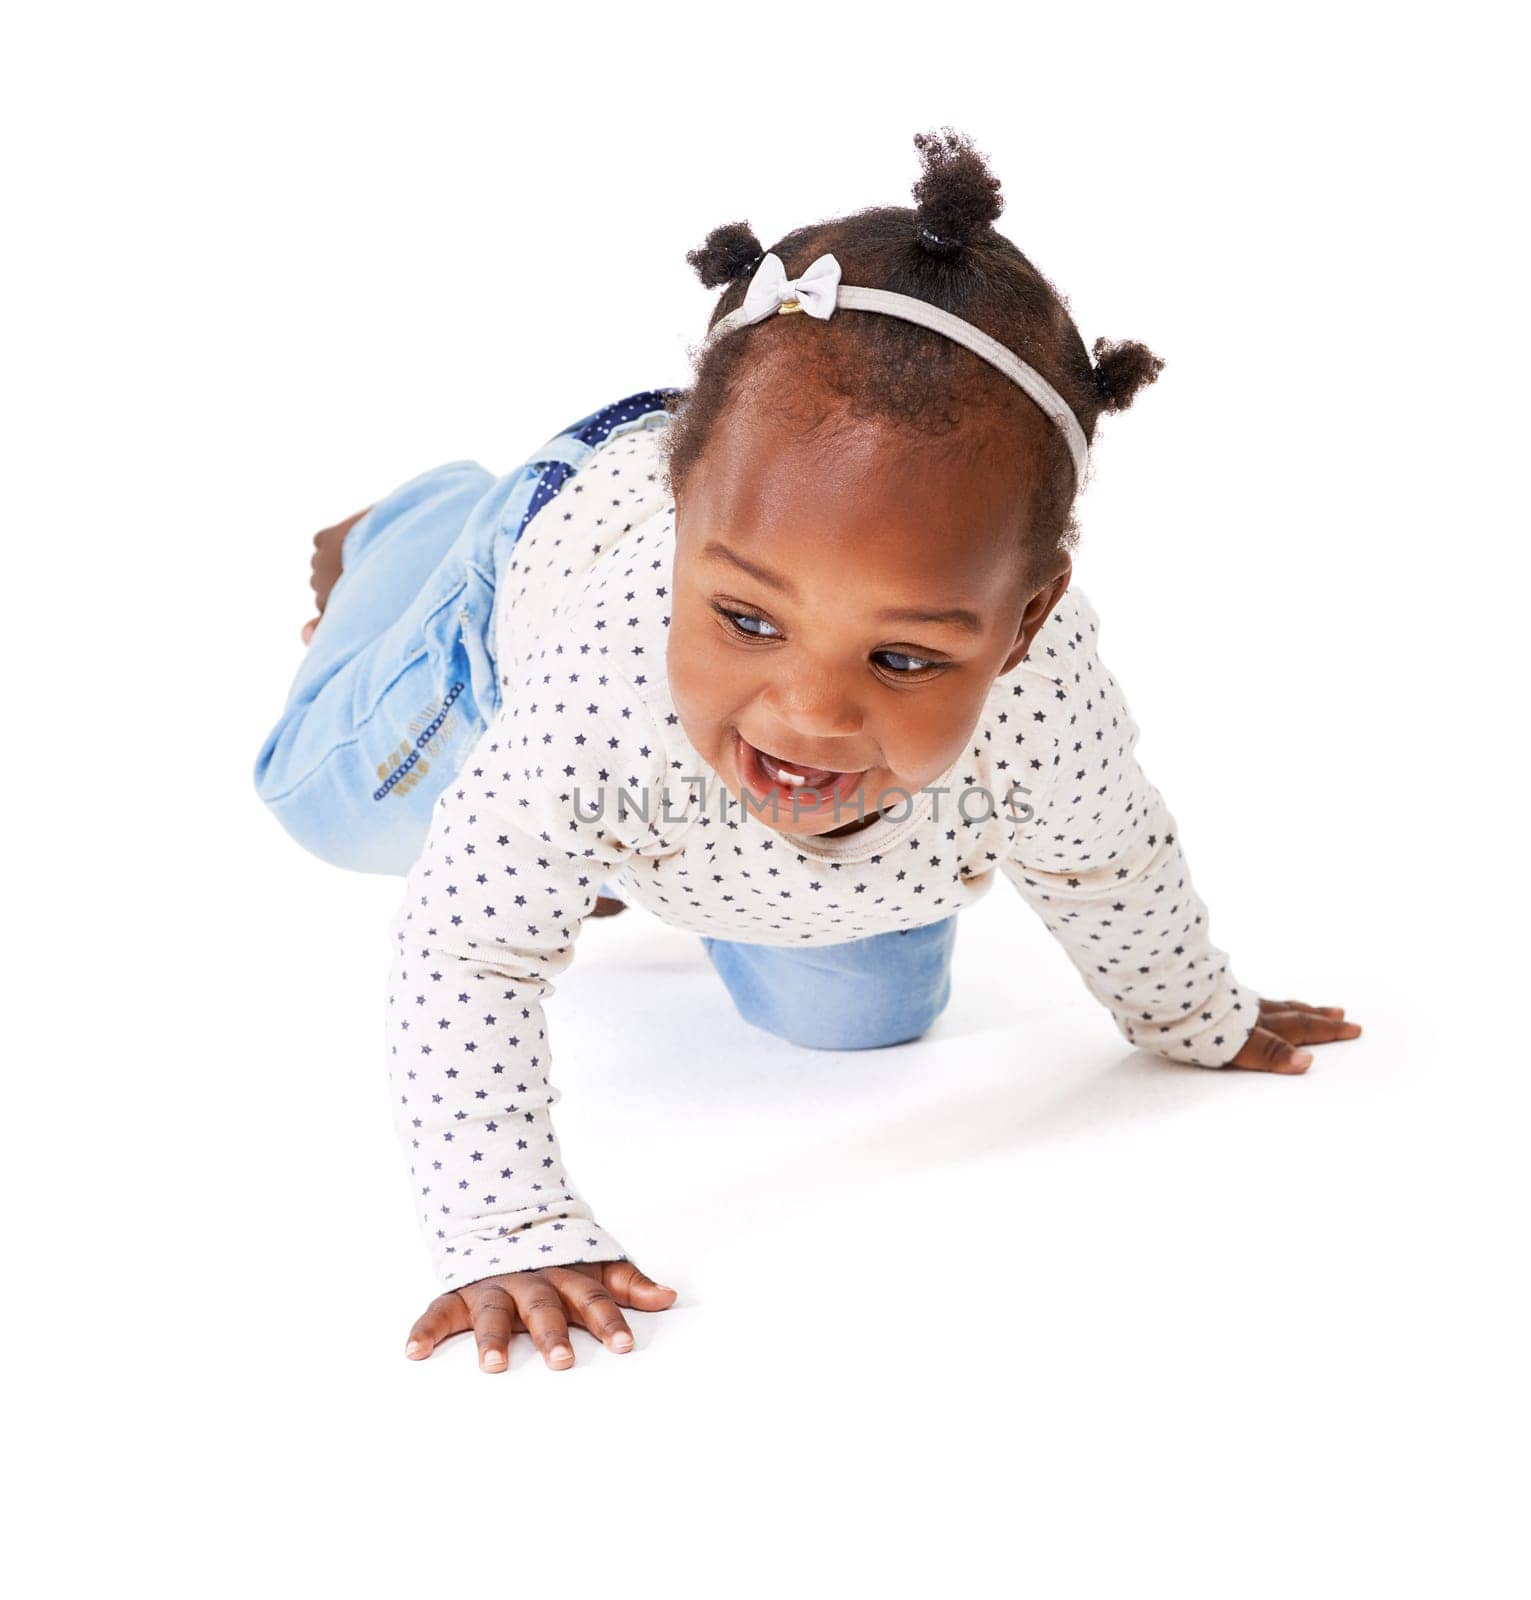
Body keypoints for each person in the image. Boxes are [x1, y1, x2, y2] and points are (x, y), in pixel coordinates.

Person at [252, 127, 1361, 1376]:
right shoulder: (596, 684)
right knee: (324, 802)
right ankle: (410, 534)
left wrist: (1194, 1016)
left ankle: (665, 823)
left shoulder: (1046, 702)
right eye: (749, 619)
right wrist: (510, 1226)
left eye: (902, 658)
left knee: (864, 1021)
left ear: (1021, 623)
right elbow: (469, 946)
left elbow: (1108, 860)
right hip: (516, 591)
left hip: (713, 793)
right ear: (684, 537)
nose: (813, 713)